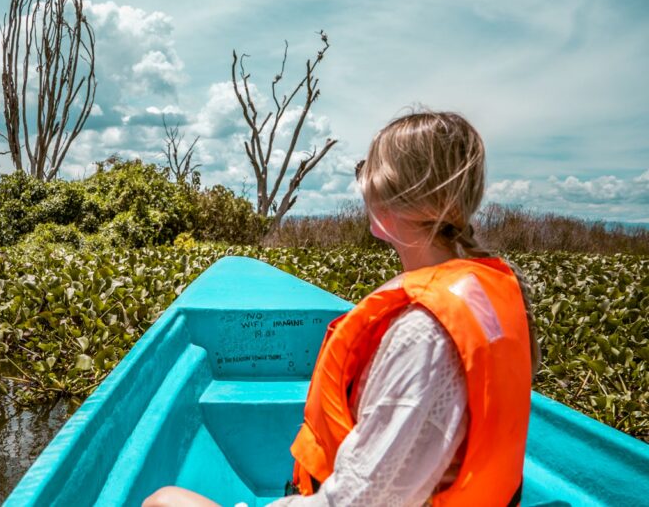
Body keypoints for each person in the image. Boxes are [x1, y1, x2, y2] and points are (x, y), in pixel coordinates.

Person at [143, 109, 542, 507]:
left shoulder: (423, 335)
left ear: (393, 196)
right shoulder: (482, 293)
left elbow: (355, 502)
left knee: (164, 501)